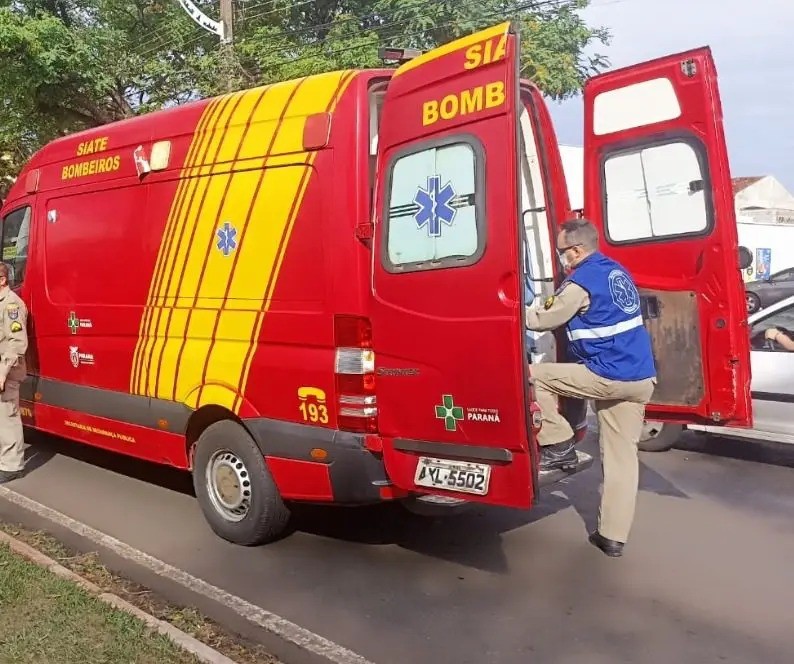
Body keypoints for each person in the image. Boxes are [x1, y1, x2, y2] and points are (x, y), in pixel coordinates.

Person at [525, 218, 656, 558]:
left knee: (530, 375)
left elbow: (541, 319)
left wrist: (506, 305)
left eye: (561, 252)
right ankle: (612, 537)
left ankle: (557, 442)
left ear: (577, 250)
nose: (559, 258)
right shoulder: (616, 272)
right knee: (622, 461)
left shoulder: (581, 281)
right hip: (640, 379)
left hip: (607, 375)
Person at [0, 263, 28, 483]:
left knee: (7, 415)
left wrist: (2, 374)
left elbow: (17, 343)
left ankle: (12, 465)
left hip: (7, 370)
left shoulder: (11, 305)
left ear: (2, 280)